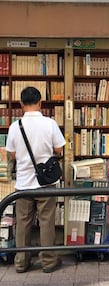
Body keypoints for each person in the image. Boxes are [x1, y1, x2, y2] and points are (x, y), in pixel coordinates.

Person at [6, 86, 66, 273]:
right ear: (40, 103)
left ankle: (22, 262)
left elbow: (13, 155)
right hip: (46, 183)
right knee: (47, 222)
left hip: (24, 183)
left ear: (21, 104)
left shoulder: (15, 127)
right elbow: (59, 150)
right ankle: (48, 262)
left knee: (23, 223)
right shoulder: (50, 124)